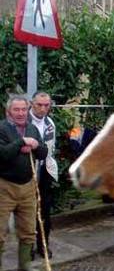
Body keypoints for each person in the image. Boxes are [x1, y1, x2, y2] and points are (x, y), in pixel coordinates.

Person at [0, 95, 48, 271]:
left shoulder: (32, 128)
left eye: (23, 109)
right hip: (4, 186)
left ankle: (25, 264)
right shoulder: (2, 128)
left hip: (28, 185)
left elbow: (43, 153)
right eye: (16, 110)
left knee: (28, 228)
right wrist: (21, 142)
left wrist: (35, 145)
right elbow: (3, 154)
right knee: (0, 230)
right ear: (8, 111)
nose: (20, 113)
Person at [29, 92, 58, 259]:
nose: (43, 108)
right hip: (28, 171)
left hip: (45, 171)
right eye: (39, 105)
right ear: (32, 104)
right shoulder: (25, 122)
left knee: (45, 211)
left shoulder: (50, 124)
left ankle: (43, 245)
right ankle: (28, 248)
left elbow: (50, 150)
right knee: (28, 212)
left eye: (46, 105)